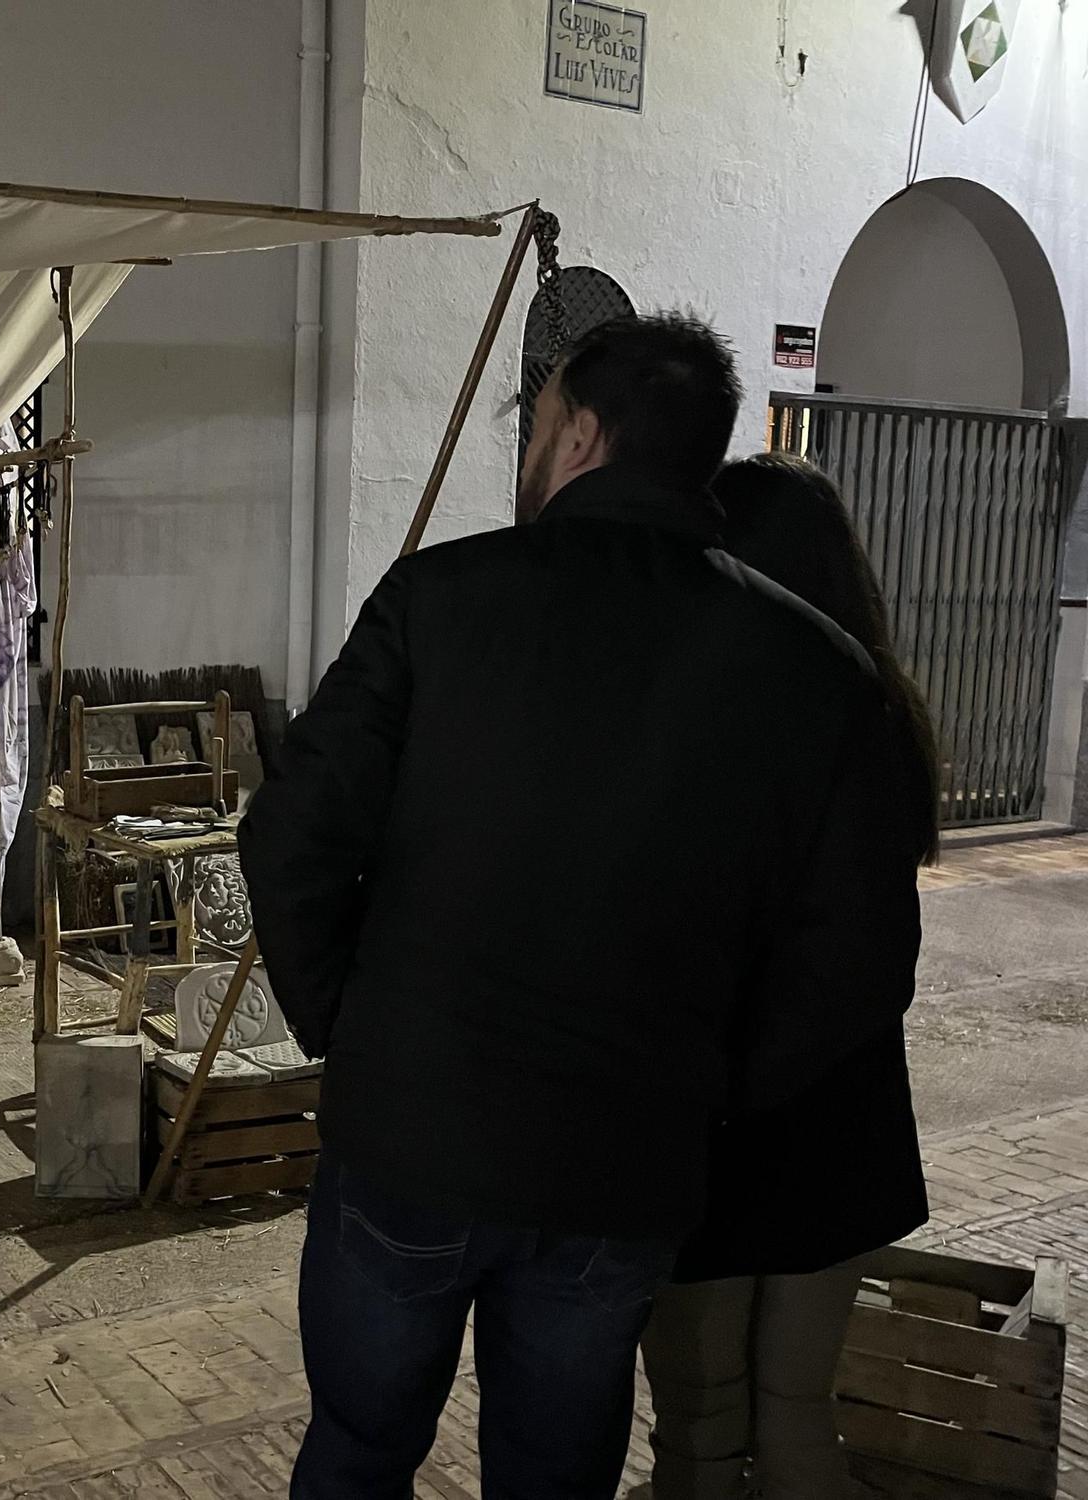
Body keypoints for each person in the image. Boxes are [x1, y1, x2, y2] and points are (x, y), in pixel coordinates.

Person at [238, 313, 922, 1499]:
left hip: (411, 1137)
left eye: (538, 420)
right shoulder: (812, 667)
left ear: (579, 435)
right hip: (620, 1169)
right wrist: (710, 1084)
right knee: (555, 1479)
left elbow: (292, 828)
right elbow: (860, 952)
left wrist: (346, 1022)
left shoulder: (440, 599)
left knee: (357, 1450)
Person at [637, 453, 937, 1500]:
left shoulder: (699, 709)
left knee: (698, 1421)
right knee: (797, 1416)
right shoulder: (882, 709)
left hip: (709, 1118)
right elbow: (873, 954)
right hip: (837, 1117)